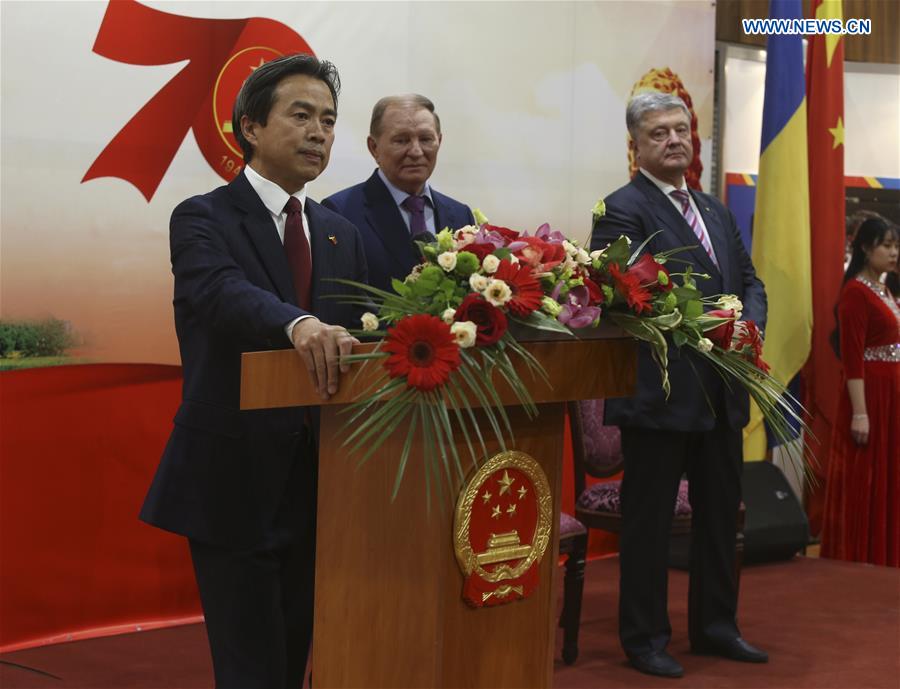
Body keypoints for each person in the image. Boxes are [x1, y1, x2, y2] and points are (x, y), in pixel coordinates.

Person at [139, 54, 369, 688]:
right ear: (251, 126)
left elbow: (365, 329)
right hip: (233, 478)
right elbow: (219, 292)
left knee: (293, 659)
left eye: (329, 120)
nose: (318, 132)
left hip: (321, 480)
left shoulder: (340, 233)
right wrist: (298, 325)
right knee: (250, 670)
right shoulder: (202, 216)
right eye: (301, 115)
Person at [590, 92, 769, 678]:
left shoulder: (714, 209)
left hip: (722, 389)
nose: (674, 140)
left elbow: (749, 281)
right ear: (635, 145)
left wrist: (747, 326)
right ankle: (644, 639)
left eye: (681, 129)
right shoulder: (620, 210)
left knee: (719, 518)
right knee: (650, 526)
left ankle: (717, 627)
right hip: (659, 394)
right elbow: (628, 295)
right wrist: (712, 324)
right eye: (659, 132)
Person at [322, 94, 474, 292]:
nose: (416, 151)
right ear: (374, 147)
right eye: (401, 140)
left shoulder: (461, 215)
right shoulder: (340, 212)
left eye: (426, 139)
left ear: (440, 141)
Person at [821, 218, 900, 567]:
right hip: (871, 397)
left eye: (896, 246)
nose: (894, 253)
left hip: (891, 395)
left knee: (889, 477)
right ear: (866, 248)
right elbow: (852, 359)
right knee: (868, 478)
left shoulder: (885, 289)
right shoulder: (855, 292)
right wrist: (861, 413)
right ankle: (863, 556)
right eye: (887, 245)